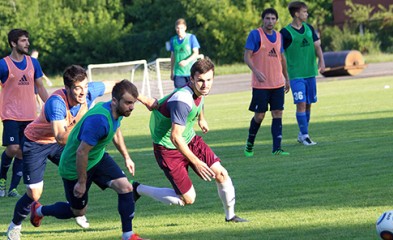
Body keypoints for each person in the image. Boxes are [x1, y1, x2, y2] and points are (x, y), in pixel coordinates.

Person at [5, 66, 159, 240]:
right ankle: (15, 225)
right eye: (77, 88)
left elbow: (119, 86)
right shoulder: (57, 103)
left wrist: (144, 99)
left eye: (85, 87)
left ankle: (124, 233)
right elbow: (61, 137)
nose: (83, 92)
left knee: (120, 188)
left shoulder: (89, 92)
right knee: (34, 193)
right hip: (38, 143)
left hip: (71, 143)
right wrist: (87, 125)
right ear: (68, 88)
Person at [149, 58, 247, 223]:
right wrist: (196, 162)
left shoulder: (201, 90)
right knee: (188, 199)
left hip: (189, 139)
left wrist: (202, 118)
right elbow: (175, 137)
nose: (205, 85)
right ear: (191, 79)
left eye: (209, 80)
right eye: (200, 80)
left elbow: (201, 100)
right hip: (167, 148)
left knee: (221, 174)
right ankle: (137, 189)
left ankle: (231, 217)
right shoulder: (182, 100)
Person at [0, 29, 49, 198]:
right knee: (13, 148)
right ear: (13, 43)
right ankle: (1, 178)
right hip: (10, 115)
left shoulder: (33, 63)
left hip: (30, 116)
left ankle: (12, 188)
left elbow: (40, 87)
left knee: (23, 152)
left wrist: (50, 106)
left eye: (27, 40)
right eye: (23, 40)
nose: (27, 43)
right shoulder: (3, 64)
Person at [243, 8, 291, 157]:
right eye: (267, 18)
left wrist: (286, 78)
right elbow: (247, 56)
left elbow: (282, 58)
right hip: (261, 85)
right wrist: (255, 71)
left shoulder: (279, 36)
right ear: (262, 19)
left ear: (276, 20)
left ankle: (277, 148)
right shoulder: (255, 35)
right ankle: (249, 144)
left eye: (273, 18)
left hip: (277, 83)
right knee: (260, 116)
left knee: (278, 113)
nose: (270, 21)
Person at [279, 1, 325, 146]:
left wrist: (322, 61)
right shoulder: (285, 33)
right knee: (301, 104)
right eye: (304, 11)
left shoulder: (309, 29)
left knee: (309, 104)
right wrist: (284, 75)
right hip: (296, 75)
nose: (307, 14)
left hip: (310, 73)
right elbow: (280, 55)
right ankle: (305, 135)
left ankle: (302, 133)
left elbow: (317, 47)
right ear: (297, 14)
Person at [170, 18, 200, 88]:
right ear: (175, 28)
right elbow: (172, 56)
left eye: (181, 28)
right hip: (178, 72)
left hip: (191, 72)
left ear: (185, 28)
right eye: (177, 28)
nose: (179, 30)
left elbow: (196, 53)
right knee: (180, 94)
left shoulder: (191, 38)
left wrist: (187, 61)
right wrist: (172, 71)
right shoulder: (173, 40)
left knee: (193, 94)